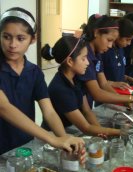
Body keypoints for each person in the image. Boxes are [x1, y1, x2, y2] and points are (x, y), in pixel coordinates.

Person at [0, 7, 85, 156]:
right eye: (6, 37)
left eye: (20, 38)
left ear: (33, 39)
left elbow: (49, 112)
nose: (12, 44)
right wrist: (51, 139)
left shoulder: (34, 72)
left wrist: (63, 138)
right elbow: (4, 107)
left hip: (24, 147)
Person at [41, 36, 120, 136]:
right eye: (83, 59)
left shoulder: (76, 78)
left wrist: (101, 130)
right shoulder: (60, 89)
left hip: (71, 130)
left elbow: (87, 111)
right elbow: (86, 128)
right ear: (70, 61)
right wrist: (121, 132)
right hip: (55, 136)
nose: (87, 63)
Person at [78, 14, 133, 110]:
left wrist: (126, 100)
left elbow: (104, 84)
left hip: (87, 106)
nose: (111, 46)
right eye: (109, 40)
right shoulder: (86, 56)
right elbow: (97, 93)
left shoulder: (97, 52)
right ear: (96, 33)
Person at [101, 18, 133, 88]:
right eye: (127, 39)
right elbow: (99, 80)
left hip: (120, 91)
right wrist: (113, 84)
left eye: (131, 40)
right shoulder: (104, 50)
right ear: (117, 35)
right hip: (108, 93)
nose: (129, 43)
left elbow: (118, 74)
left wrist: (130, 79)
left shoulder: (121, 49)